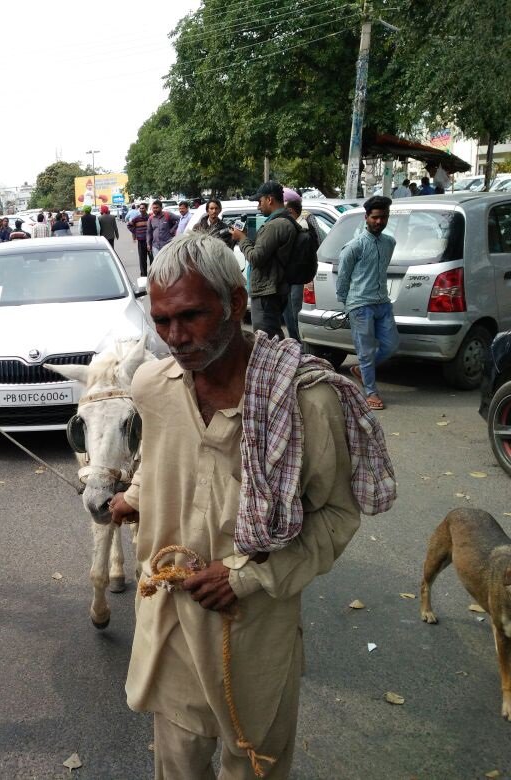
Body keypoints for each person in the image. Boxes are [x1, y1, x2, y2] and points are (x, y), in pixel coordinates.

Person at [110, 232, 367, 779]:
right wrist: (133, 498)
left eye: (192, 316)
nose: (175, 337)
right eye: (161, 321)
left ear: (237, 302)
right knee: (177, 766)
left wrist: (244, 576)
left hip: (252, 633)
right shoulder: (153, 386)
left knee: (254, 766)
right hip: (169, 624)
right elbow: (158, 461)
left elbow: (338, 515)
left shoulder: (302, 401)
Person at [337, 195, 399, 410]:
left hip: (382, 302)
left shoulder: (389, 243)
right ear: (366, 218)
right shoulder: (354, 246)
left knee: (391, 345)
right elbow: (343, 278)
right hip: (360, 305)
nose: (379, 221)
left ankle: (362, 371)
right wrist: (347, 304)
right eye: (375, 217)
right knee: (365, 351)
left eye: (383, 217)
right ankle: (371, 392)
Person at [229, 181, 298, 339]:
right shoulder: (284, 221)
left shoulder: (275, 225)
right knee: (271, 335)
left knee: (265, 339)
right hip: (274, 288)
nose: (258, 207)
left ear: (270, 199)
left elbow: (256, 258)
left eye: (259, 202)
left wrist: (242, 238)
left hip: (267, 291)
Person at [281, 197, 321, 343]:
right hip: (291, 276)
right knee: (288, 310)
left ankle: (299, 343)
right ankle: (295, 341)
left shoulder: (303, 228)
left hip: (298, 276)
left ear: (291, 211)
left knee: (294, 310)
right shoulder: (297, 225)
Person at [128, 202, 151, 276]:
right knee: (142, 259)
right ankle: (144, 275)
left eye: (143, 208)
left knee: (152, 259)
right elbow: (129, 225)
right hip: (141, 241)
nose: (141, 209)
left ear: (146, 209)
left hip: (150, 241)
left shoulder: (150, 217)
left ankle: (153, 274)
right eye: (140, 208)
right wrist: (136, 232)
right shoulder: (136, 219)